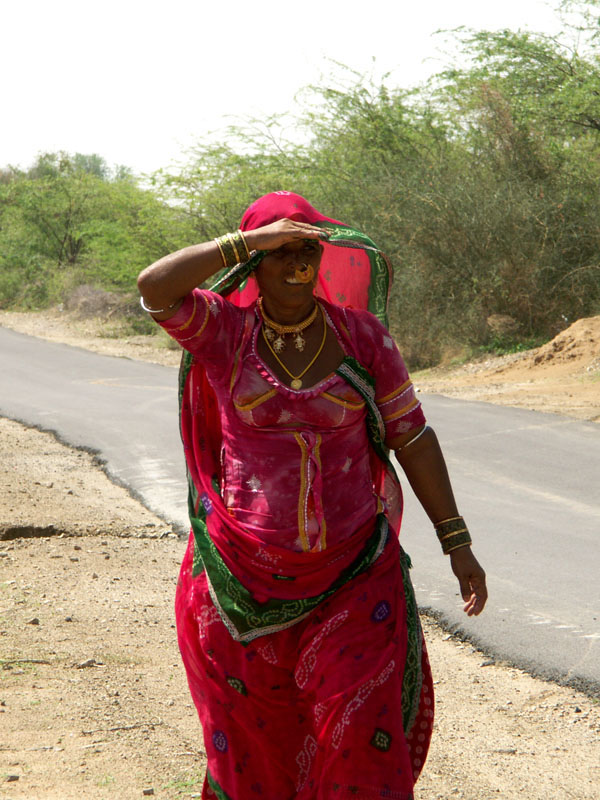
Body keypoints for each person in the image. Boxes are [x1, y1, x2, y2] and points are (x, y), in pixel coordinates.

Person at [137, 191, 487, 800]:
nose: (297, 263)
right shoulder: (225, 332)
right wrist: (247, 240)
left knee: (359, 739)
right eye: (281, 251)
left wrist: (456, 541)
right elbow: (155, 290)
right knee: (258, 755)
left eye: (306, 249)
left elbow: (414, 437)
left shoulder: (362, 337)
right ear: (255, 263)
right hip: (238, 587)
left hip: (353, 576)